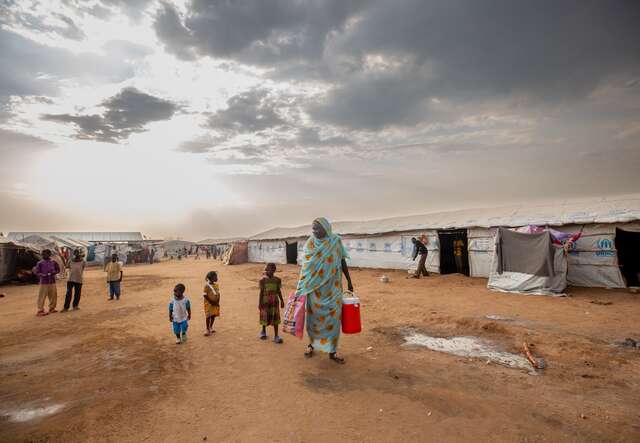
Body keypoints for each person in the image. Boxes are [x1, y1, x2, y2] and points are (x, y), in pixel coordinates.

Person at [295, 217, 354, 364]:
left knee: (333, 320)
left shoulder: (335, 241)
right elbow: (306, 268)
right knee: (314, 319)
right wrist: (301, 287)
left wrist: (349, 281)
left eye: (317, 228)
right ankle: (311, 344)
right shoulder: (310, 243)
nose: (314, 231)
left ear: (326, 228)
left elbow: (342, 261)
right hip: (315, 289)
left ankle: (332, 350)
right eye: (313, 228)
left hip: (333, 288)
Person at [259, 263, 285, 343]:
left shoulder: (277, 280)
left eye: (268, 269)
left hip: (274, 302)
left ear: (273, 270)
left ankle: (276, 336)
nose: (266, 271)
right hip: (265, 301)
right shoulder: (262, 280)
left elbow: (278, 291)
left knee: (275, 317)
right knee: (264, 316)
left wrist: (282, 300)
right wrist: (260, 303)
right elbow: (261, 292)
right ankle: (263, 331)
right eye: (266, 269)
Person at [33, 249, 60, 316]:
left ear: (49, 254)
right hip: (43, 282)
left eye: (44, 254)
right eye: (42, 254)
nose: (43, 255)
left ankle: (52, 308)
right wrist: (42, 275)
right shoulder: (40, 263)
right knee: (42, 296)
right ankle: (40, 310)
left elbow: (58, 269)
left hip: (52, 281)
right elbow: (37, 272)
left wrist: (54, 272)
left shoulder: (53, 262)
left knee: (53, 295)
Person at [202, 271, 220, 336]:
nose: (217, 278)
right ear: (211, 278)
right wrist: (211, 302)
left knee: (213, 316)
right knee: (208, 316)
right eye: (215, 276)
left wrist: (217, 302)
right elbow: (204, 295)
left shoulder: (216, 285)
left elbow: (218, 294)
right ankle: (207, 329)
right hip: (208, 304)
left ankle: (210, 327)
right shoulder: (206, 286)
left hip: (215, 304)